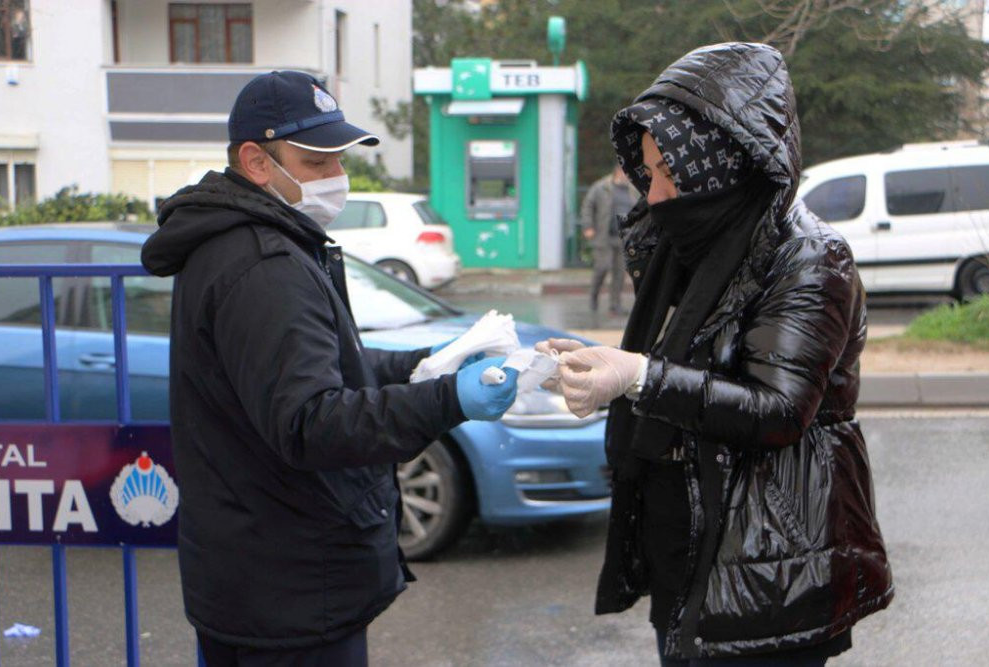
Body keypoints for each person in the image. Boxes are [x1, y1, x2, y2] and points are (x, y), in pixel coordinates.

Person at [141, 71, 518, 666]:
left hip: (260, 575)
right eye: (316, 162)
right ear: (256, 161)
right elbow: (310, 421)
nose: (335, 177)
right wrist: (450, 401)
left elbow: (309, 366)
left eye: (338, 159)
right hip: (289, 590)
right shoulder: (264, 264)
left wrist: (423, 364)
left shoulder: (252, 241)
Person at [539, 43, 892, 665]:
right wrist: (606, 373)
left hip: (770, 560)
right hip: (693, 549)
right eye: (648, 173)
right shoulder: (694, 247)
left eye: (672, 171)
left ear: (726, 163)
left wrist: (640, 378)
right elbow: (684, 371)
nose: (657, 194)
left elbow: (778, 411)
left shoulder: (809, 257)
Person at [581, 164, 639, 314]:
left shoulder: (632, 190)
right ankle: (594, 296)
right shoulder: (601, 187)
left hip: (624, 238)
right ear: (618, 172)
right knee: (602, 267)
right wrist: (588, 226)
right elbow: (588, 205)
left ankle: (615, 304)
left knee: (620, 272)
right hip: (604, 236)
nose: (627, 176)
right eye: (625, 173)